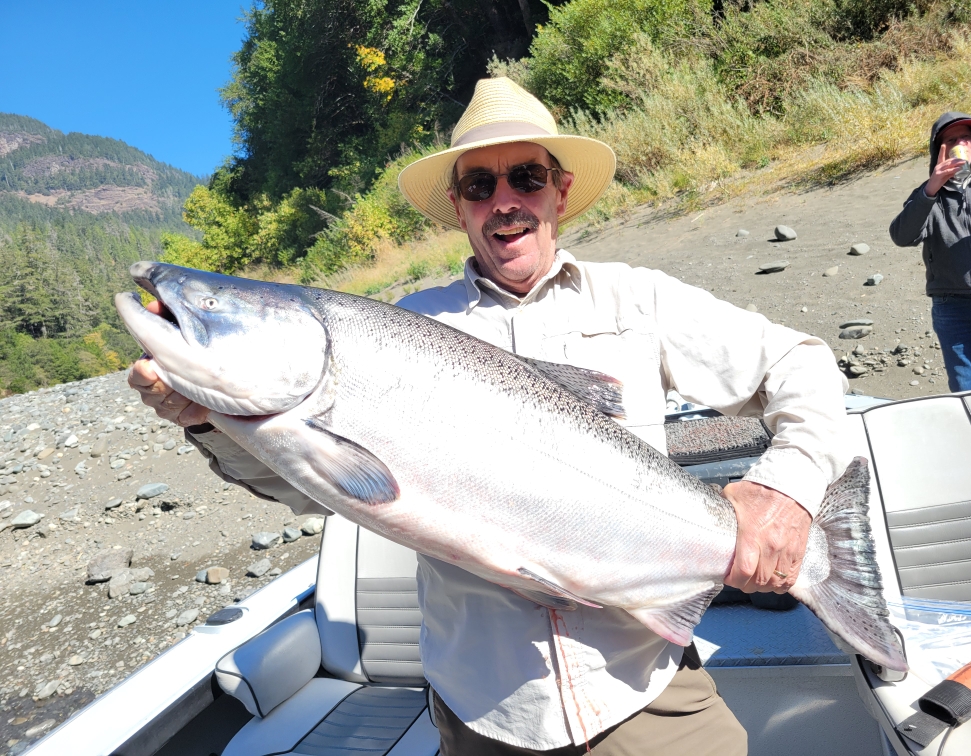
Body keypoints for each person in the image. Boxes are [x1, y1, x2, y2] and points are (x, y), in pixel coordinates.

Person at [128, 78, 851, 755]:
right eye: (480, 185)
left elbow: (803, 365)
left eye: (526, 179)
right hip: (488, 715)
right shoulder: (401, 330)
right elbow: (306, 485)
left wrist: (786, 492)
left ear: (559, 193)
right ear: (460, 204)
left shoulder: (638, 301)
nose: (505, 200)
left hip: (644, 691)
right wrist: (206, 420)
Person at [890, 102, 971, 391]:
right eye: (951, 139)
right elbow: (901, 235)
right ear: (939, 149)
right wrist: (932, 187)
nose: (960, 144)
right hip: (952, 306)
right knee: (967, 392)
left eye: (966, 137)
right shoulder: (928, 194)